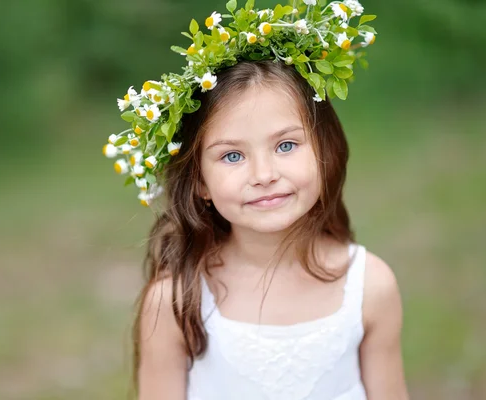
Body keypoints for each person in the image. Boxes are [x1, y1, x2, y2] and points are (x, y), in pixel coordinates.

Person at [102, 1, 409, 399]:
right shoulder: (176, 301)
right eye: (233, 155)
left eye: (285, 145)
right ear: (199, 181)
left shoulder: (370, 287)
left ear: (324, 150)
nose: (264, 175)